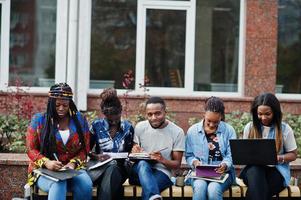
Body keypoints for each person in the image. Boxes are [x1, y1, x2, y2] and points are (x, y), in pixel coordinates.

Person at [26, 83, 92, 200]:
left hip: (72, 169)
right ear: (51, 103)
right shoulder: (39, 120)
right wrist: (46, 162)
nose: (61, 108)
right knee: (58, 184)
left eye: (65, 105)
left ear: (70, 104)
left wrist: (72, 164)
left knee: (86, 184)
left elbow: (85, 149)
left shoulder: (80, 120)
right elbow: (30, 149)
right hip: (45, 170)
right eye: (57, 105)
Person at [239, 92, 297, 200]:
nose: (263, 117)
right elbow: (245, 153)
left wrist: (279, 158)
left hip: (276, 171)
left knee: (258, 191)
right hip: (253, 171)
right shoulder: (250, 127)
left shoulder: (285, 129)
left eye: (267, 114)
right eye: (260, 114)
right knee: (256, 172)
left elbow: (293, 155)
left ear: (275, 112)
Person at [129, 96, 185, 200]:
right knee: (142, 163)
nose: (153, 117)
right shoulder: (140, 127)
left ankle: (153, 196)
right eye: (150, 114)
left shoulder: (177, 132)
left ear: (165, 112)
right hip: (138, 172)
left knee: (150, 187)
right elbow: (132, 158)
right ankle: (154, 196)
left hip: (162, 172)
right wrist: (135, 152)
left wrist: (161, 159)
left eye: (157, 113)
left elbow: (176, 164)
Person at [185, 96, 236, 200]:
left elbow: (231, 155)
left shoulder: (229, 130)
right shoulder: (192, 131)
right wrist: (195, 162)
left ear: (221, 117)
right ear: (204, 114)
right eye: (209, 121)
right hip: (199, 174)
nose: (212, 125)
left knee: (213, 188)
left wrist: (225, 165)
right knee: (199, 187)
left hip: (223, 174)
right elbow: (189, 155)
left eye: (216, 122)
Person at [89, 88, 134, 200]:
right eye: (110, 120)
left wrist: (133, 152)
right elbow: (86, 150)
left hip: (121, 168)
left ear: (121, 110)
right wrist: (96, 156)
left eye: (116, 119)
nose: (113, 123)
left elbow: (131, 152)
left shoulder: (128, 128)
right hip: (100, 168)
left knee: (113, 168)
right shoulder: (96, 126)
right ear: (103, 114)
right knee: (111, 172)